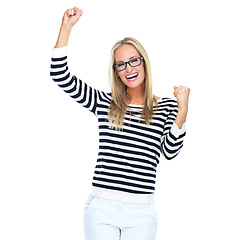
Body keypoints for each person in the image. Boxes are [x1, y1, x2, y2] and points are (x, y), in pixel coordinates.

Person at [50, 6, 190, 240]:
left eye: (134, 61)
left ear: (144, 62)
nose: (129, 69)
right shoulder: (104, 102)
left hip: (142, 211)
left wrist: (183, 110)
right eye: (121, 64)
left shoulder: (166, 107)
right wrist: (66, 27)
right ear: (116, 71)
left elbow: (170, 151)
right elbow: (59, 73)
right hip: (101, 208)